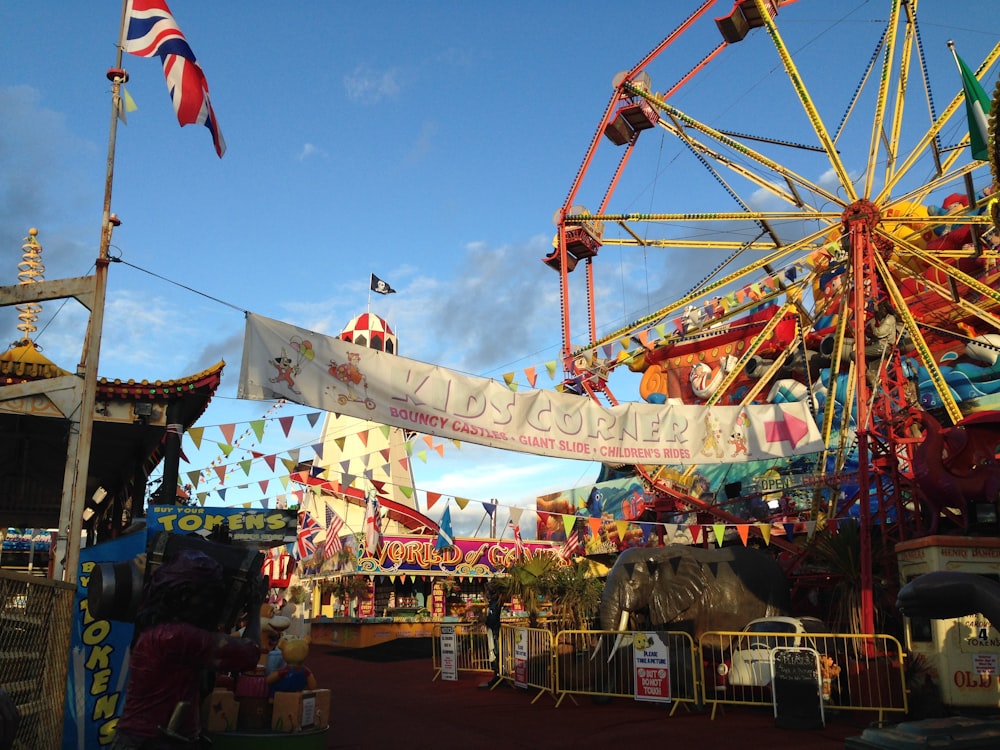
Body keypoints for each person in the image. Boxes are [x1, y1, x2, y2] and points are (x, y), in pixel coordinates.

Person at [111, 549, 260, 749]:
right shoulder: (178, 637)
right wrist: (256, 608)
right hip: (156, 742)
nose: (210, 604)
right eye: (206, 596)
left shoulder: (152, 625)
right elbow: (249, 654)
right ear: (186, 595)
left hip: (141, 739)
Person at [478, 584, 503, 689]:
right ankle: (497, 674)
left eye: (487, 592)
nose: (485, 594)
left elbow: (492, 619)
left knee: (495, 652)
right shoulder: (493, 603)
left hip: (495, 632)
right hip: (493, 631)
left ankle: (498, 674)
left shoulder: (495, 604)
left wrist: (486, 621)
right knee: (494, 652)